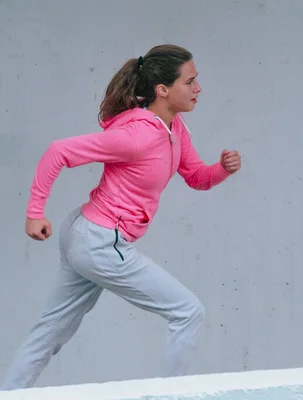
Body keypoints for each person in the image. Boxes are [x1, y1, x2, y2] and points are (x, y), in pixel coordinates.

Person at [1, 44, 241, 391]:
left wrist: (222, 169)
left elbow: (196, 177)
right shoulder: (137, 135)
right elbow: (59, 151)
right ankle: (171, 396)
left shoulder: (175, 128)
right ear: (163, 90)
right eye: (190, 82)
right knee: (187, 311)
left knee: (49, 333)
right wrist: (34, 212)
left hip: (87, 236)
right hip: (100, 241)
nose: (198, 88)